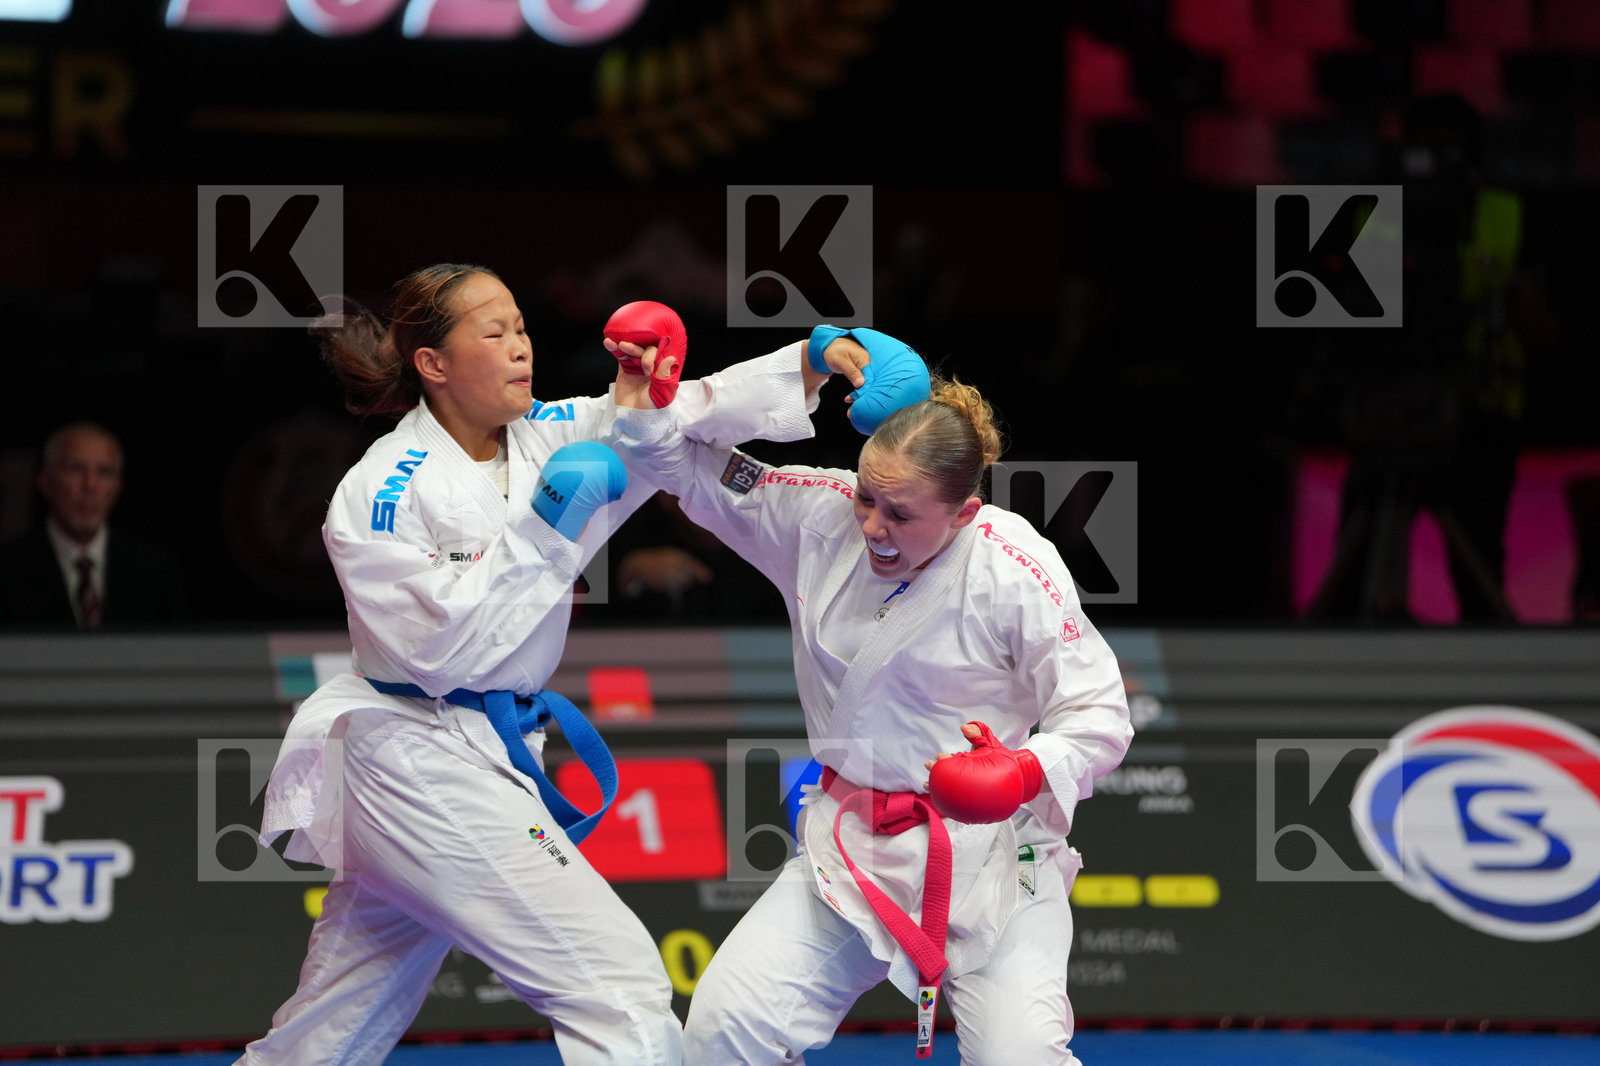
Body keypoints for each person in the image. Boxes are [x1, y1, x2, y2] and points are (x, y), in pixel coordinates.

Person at [237, 268, 825, 1066]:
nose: (521, 347)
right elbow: (439, 653)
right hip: (419, 756)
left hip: (479, 751)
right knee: (617, 987)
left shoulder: (547, 431)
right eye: (494, 333)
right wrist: (549, 528)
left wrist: (811, 363)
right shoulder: (379, 492)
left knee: (331, 1025)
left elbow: (671, 419)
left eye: (521, 327)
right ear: (433, 365)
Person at [610, 326, 1132, 1064]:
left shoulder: (1015, 566)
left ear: (963, 513)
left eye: (899, 514)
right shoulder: (818, 514)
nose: (872, 526)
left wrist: (1023, 770)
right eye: (865, 496)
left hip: (992, 862)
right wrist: (807, 357)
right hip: (852, 849)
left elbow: (1100, 716)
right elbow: (681, 463)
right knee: (725, 1032)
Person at [0, 421, 186, 628]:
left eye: (104, 472)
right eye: (76, 469)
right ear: (45, 482)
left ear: (117, 487)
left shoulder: (155, 571)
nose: (90, 485)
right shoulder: (7, 569)